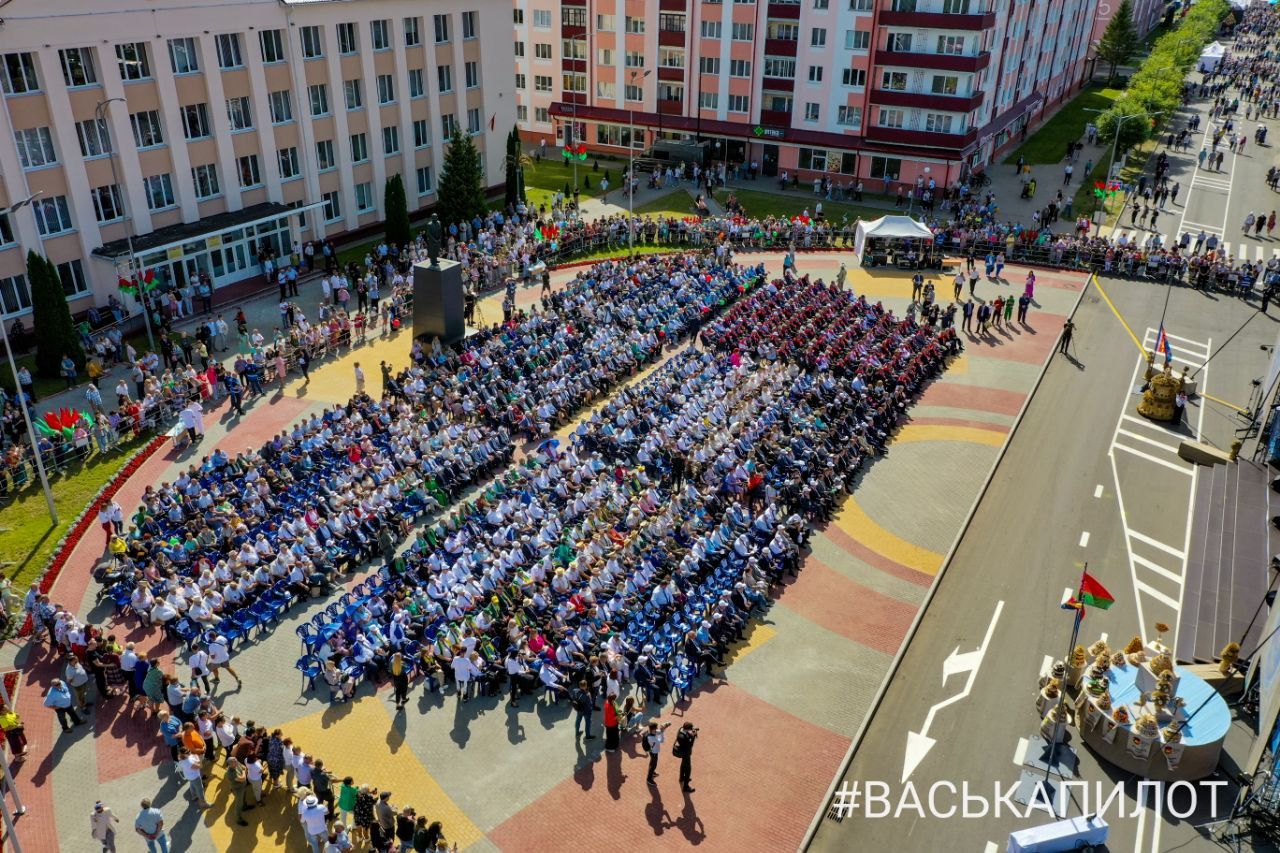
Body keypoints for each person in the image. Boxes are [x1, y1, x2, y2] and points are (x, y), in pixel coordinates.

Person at [673, 722, 698, 793]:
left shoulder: (680, 729)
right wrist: (693, 737)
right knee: (688, 769)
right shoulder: (683, 737)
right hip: (685, 753)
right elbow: (689, 746)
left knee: (683, 764)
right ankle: (686, 787)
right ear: (687, 729)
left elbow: (686, 736)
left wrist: (690, 734)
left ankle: (681, 778)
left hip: (683, 751)